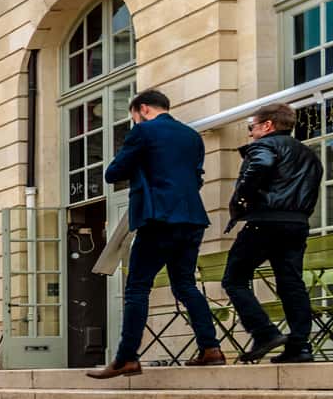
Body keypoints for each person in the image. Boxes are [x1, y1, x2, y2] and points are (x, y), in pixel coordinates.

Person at [88, 90, 224, 379]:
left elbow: (113, 173)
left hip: (157, 218)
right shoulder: (191, 136)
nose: (135, 120)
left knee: (137, 287)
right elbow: (195, 177)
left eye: (134, 116)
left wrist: (139, 164)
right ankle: (210, 348)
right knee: (185, 284)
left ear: (143, 109)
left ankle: (127, 357)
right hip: (191, 218)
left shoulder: (143, 132)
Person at [223, 102, 322, 364]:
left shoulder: (264, 146)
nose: (250, 133)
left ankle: (264, 332)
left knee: (233, 278)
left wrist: (241, 200)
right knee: (291, 283)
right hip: (297, 224)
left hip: (265, 221)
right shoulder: (310, 154)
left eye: (251, 127)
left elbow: (260, 166)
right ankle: (300, 346)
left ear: (267, 125)